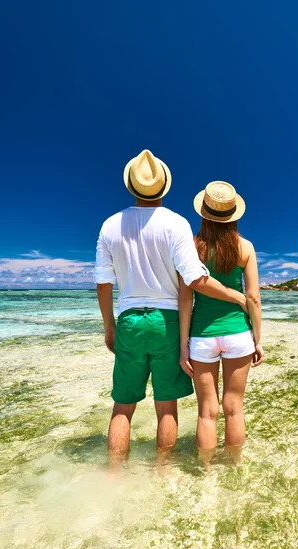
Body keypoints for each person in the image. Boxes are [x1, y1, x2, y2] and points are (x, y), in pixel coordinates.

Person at [94, 150, 247, 465]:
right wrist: (238, 297)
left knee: (123, 407)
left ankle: (113, 474)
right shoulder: (176, 224)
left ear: (131, 187)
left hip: (129, 320)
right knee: (166, 406)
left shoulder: (109, 226)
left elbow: (103, 283)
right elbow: (195, 280)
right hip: (167, 322)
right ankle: (163, 472)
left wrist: (109, 326)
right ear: (163, 187)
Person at [178, 181, 264, 466]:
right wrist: (258, 339)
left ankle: (205, 472)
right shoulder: (245, 247)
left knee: (207, 411)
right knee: (234, 408)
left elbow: (185, 299)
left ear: (204, 213)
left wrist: (183, 345)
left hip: (201, 337)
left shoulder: (191, 247)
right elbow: (252, 297)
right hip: (238, 334)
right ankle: (234, 465)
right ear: (233, 215)